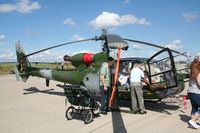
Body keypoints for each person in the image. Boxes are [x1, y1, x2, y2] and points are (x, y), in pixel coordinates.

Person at [187, 57, 200, 129]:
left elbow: (189, 84)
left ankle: (193, 124)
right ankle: (193, 120)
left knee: (194, 108)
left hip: (190, 92)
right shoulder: (198, 73)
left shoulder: (191, 74)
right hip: (196, 92)